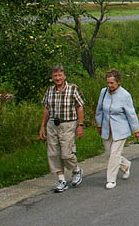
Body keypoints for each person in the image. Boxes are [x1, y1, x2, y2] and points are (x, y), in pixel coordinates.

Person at [39, 65, 85, 193]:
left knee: (66, 153)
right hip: (53, 124)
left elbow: (80, 107)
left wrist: (80, 125)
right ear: (52, 77)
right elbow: (46, 109)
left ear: (64, 76)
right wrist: (42, 125)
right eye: (55, 76)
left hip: (68, 124)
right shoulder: (50, 90)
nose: (57, 78)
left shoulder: (72, 89)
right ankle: (61, 180)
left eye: (60, 75)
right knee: (53, 153)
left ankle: (76, 169)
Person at [95, 69, 139, 189]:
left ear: (118, 82)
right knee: (109, 154)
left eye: (112, 83)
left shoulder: (125, 95)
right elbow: (99, 110)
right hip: (106, 128)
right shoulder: (103, 92)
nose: (109, 86)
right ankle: (125, 165)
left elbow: (131, 113)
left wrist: (136, 129)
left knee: (114, 155)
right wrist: (99, 124)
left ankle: (111, 180)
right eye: (108, 83)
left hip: (120, 129)